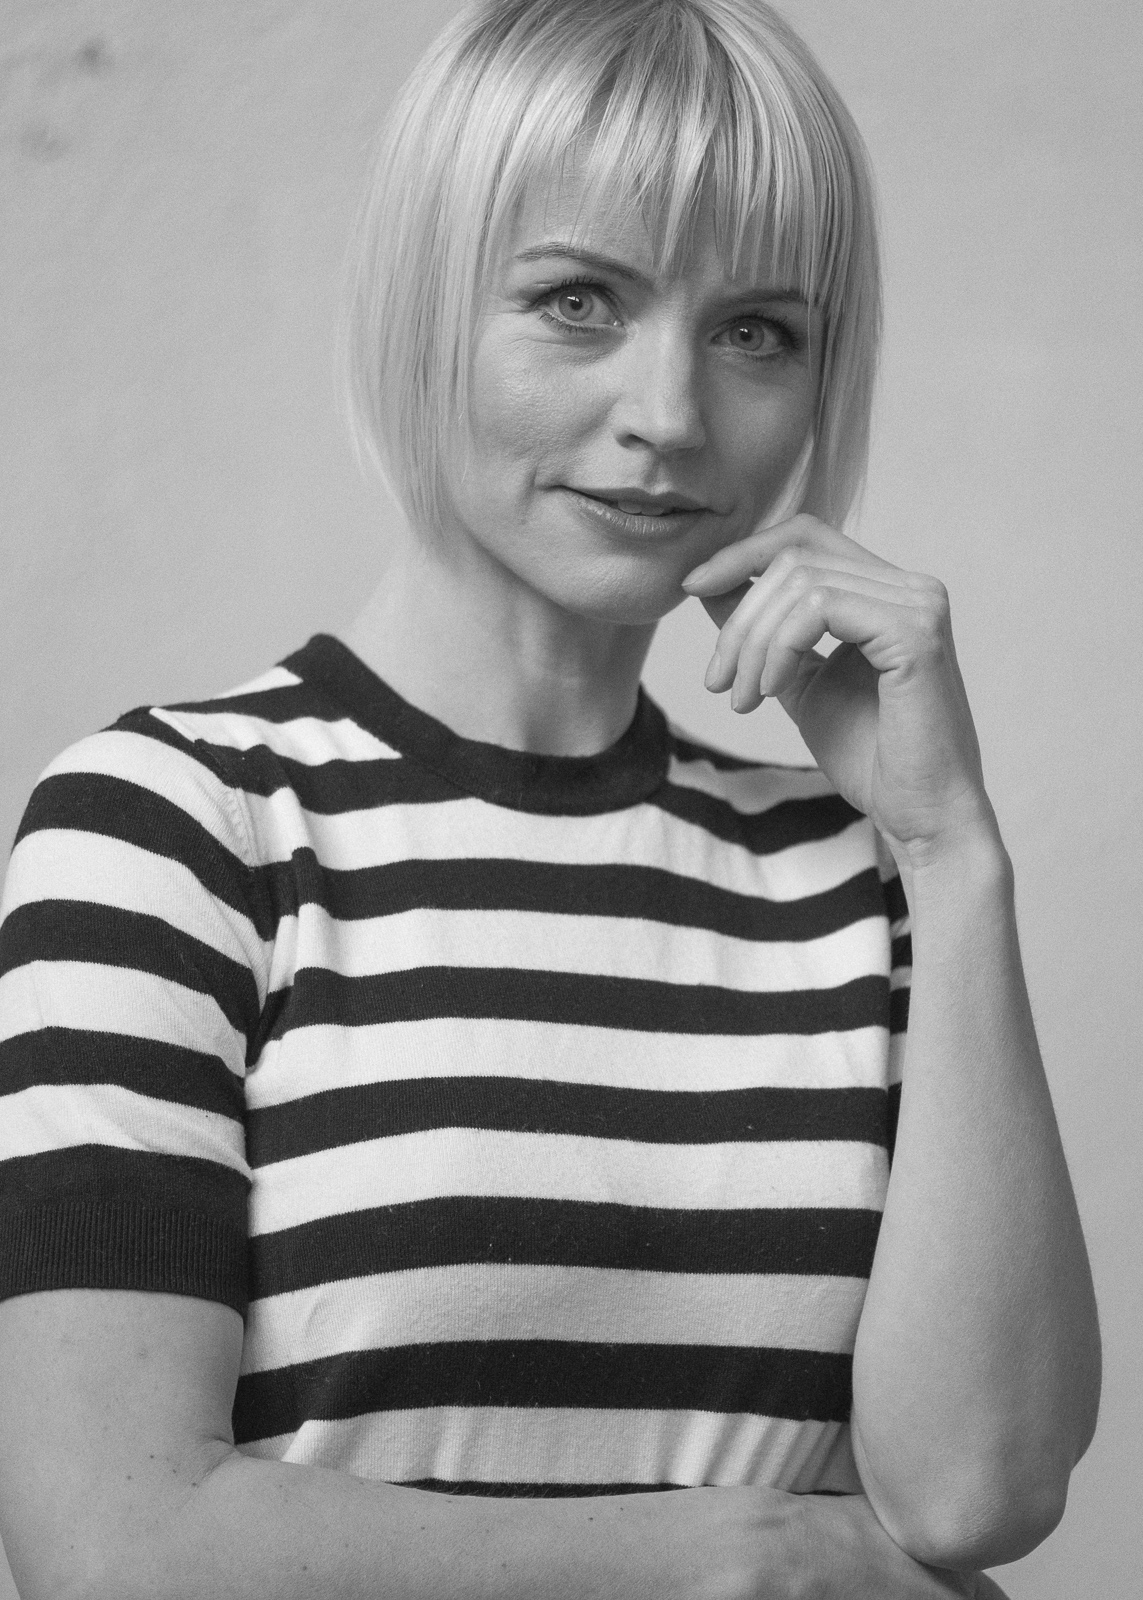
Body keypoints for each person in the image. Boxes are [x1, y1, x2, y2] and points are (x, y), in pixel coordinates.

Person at [0, 1, 1100, 1596]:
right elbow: (111, 1547)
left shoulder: (857, 873)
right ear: (425, 308)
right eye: (580, 301)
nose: (672, 415)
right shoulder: (175, 827)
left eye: (757, 331)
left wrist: (955, 850)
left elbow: (979, 1494)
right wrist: (737, 1559)